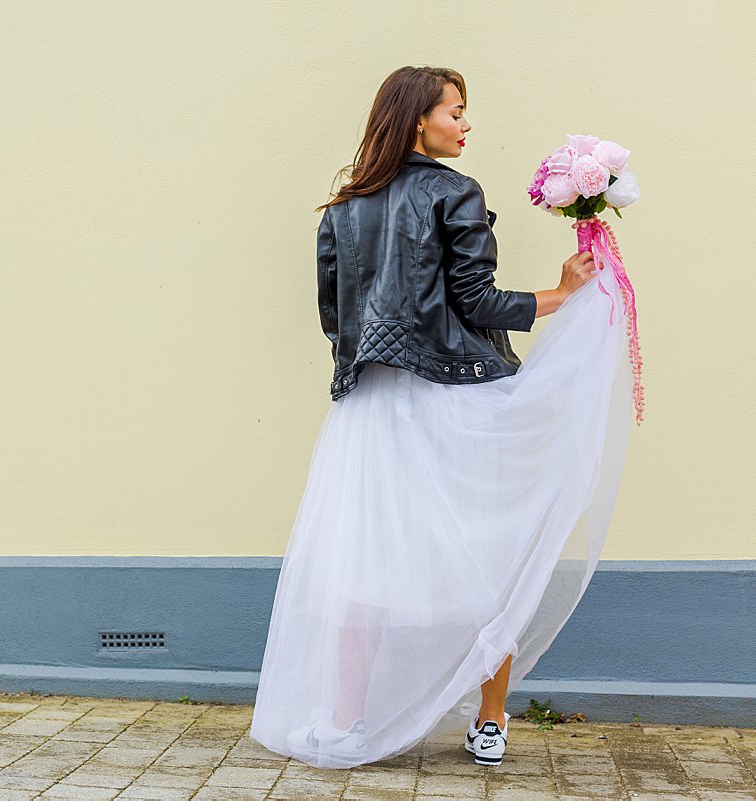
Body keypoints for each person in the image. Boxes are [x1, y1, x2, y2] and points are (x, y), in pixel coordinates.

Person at [248, 66, 635, 769]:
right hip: (450, 399)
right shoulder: (455, 192)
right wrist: (561, 290)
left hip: (366, 407)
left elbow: (335, 319)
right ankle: (489, 722)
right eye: (455, 111)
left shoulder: (341, 209)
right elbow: (477, 303)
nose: (466, 124)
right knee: (488, 559)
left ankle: (345, 721)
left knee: (362, 567)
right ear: (417, 119)